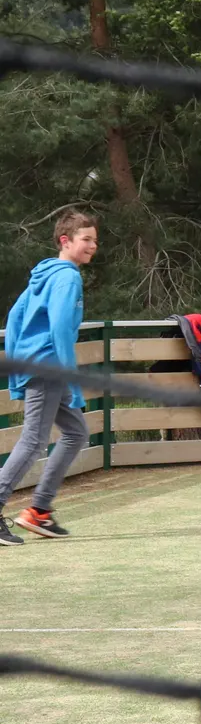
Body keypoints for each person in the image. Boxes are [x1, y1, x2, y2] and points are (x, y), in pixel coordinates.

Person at [0, 210, 99, 547]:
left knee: (75, 432)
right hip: (48, 368)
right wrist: (70, 380)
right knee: (33, 441)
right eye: (86, 239)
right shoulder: (67, 277)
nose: (92, 246)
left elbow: (14, 318)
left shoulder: (42, 275)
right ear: (65, 241)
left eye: (94, 240)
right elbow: (58, 328)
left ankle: (38, 510)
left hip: (37, 366)